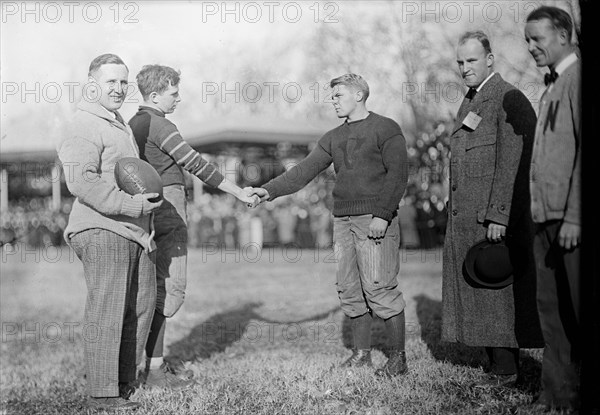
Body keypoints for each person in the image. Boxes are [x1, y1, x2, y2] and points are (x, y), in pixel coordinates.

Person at [249, 73, 409, 377]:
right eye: (332, 96)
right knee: (348, 288)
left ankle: (398, 359)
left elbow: (399, 174)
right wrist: (267, 190)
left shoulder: (386, 128)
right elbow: (303, 172)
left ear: (359, 95)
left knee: (378, 287)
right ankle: (362, 354)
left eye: (338, 95)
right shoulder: (332, 136)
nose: (332, 101)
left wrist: (382, 214)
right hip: (343, 221)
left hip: (374, 219)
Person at [128, 64, 259, 389]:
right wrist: (238, 191)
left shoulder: (131, 123)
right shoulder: (161, 124)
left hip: (142, 209)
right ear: (155, 94)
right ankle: (154, 369)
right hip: (168, 206)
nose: (179, 98)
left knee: (146, 289)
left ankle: (137, 367)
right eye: (174, 93)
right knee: (170, 290)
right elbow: (195, 164)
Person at [57, 53, 162, 411]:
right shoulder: (83, 123)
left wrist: (143, 223)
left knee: (141, 304)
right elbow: (81, 181)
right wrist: (134, 207)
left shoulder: (117, 123)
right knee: (108, 309)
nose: (118, 89)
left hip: (131, 232)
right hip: (100, 228)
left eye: (123, 82)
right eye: (110, 82)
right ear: (91, 86)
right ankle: (102, 395)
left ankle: (124, 384)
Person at [441, 31, 543, 387]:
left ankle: (506, 368)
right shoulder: (471, 100)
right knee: (479, 288)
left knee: (496, 292)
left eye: (471, 60)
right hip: (466, 217)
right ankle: (496, 364)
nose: (464, 68)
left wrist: (499, 213)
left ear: (489, 59)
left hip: (489, 218)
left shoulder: (505, 97)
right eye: (460, 62)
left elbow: (512, 160)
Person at [524, 6, 581, 411]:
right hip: (544, 219)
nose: (530, 47)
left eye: (537, 38)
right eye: (527, 40)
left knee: (577, 310)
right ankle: (557, 394)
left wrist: (576, 215)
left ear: (564, 35)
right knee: (551, 310)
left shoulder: (578, 80)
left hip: (570, 220)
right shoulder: (550, 87)